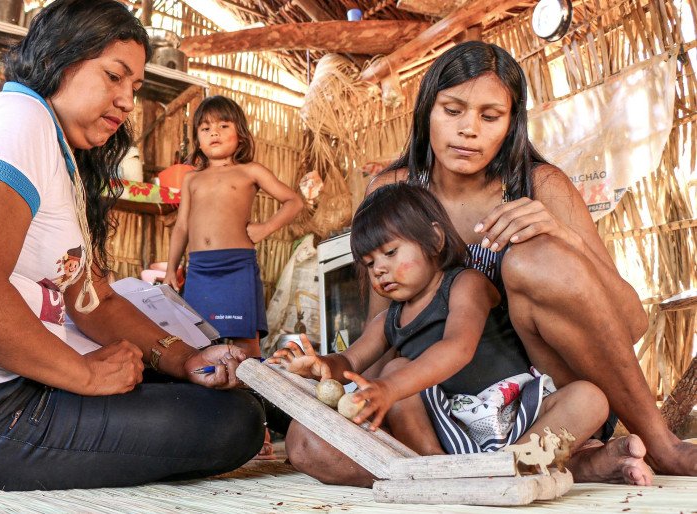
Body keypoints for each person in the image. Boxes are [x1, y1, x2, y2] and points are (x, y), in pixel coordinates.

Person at [0, 0, 264, 493]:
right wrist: (82, 374)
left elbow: (94, 302)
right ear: (60, 58)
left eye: (135, 87)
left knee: (208, 397)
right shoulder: (16, 119)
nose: (127, 101)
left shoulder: (45, 144)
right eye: (113, 76)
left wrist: (183, 359)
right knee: (235, 423)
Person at [286, 40, 692, 486]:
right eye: (452, 110)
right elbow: (384, 328)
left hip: (539, 399)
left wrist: (564, 237)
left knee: (533, 258)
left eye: (489, 116)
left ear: (511, 122)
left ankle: (661, 444)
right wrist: (345, 375)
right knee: (309, 442)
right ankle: (560, 466)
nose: (468, 130)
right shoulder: (396, 190)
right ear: (426, 111)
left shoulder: (540, 186)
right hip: (432, 405)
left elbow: (630, 324)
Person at [273, 182, 609, 462]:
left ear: (434, 240)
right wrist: (320, 366)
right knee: (395, 368)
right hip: (449, 427)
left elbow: (459, 347)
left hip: (518, 411)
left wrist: (391, 388)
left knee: (590, 398)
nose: (378, 269)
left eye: (390, 253)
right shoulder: (387, 319)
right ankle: (434, 464)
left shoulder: (465, 284)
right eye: (369, 262)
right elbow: (350, 361)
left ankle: (514, 463)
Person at [163, 95, 303, 358]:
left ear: (241, 133)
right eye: (205, 128)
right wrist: (172, 268)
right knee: (198, 340)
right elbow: (181, 226)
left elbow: (294, 201)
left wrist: (266, 228)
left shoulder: (250, 171)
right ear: (198, 139)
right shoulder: (192, 179)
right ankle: (208, 392)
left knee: (245, 343)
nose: (213, 132)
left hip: (237, 267)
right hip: (199, 270)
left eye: (223, 125)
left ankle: (249, 395)